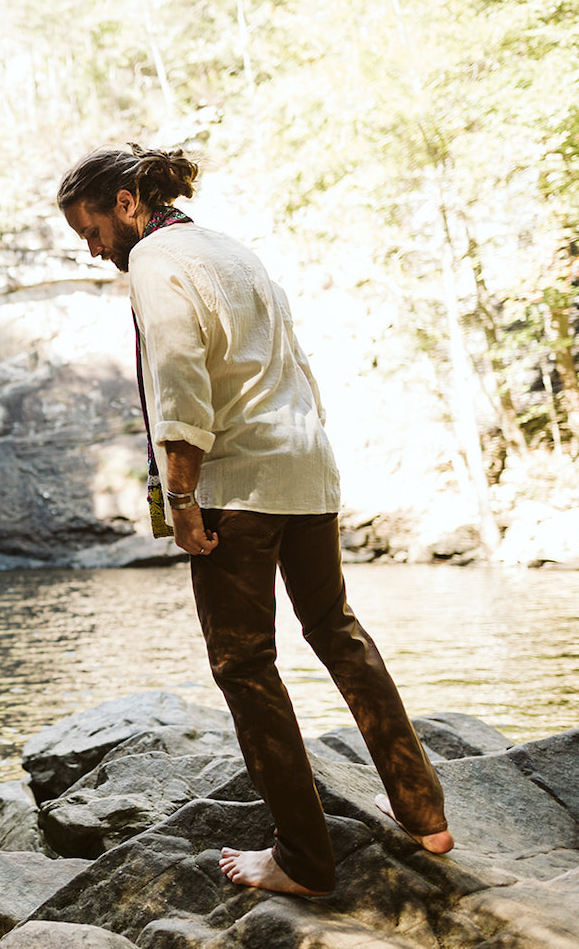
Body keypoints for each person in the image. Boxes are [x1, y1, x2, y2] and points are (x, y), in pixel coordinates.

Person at [56, 144, 453, 897]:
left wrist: (181, 498)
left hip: (235, 485)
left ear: (129, 202)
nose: (95, 247)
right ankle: (423, 813)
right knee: (337, 631)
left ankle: (304, 859)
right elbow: (296, 364)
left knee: (244, 665)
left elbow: (178, 374)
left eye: (93, 229)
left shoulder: (155, 261)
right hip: (306, 464)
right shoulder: (231, 249)